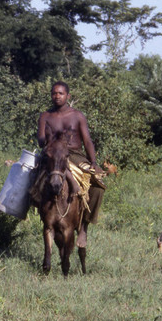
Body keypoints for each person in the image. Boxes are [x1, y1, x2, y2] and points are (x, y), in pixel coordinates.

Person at [36, 81, 105, 248]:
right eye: (54, 93)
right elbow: (40, 141)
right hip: (51, 154)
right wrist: (49, 139)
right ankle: (33, 212)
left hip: (74, 155)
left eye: (60, 93)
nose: (57, 96)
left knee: (98, 185)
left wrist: (94, 162)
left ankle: (84, 228)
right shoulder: (45, 116)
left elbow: (87, 140)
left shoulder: (77, 115)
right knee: (29, 180)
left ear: (68, 96)